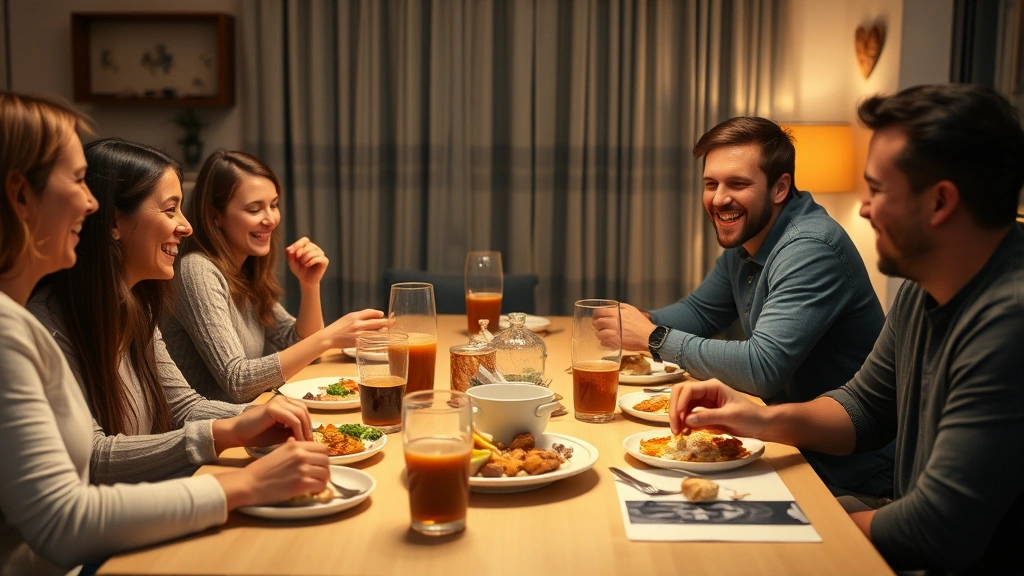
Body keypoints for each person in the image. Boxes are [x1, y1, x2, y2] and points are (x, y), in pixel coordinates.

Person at [668, 84, 1024, 574]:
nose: (863, 207)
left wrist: (793, 526)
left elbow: (936, 530)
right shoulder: (923, 290)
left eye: (877, 190)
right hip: (902, 522)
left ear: (940, 202)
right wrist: (757, 420)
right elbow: (863, 409)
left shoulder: (1008, 321)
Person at [0, 94, 328, 576]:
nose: (88, 201)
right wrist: (240, 481)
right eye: (76, 181)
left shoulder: (131, 305)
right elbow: (75, 496)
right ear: (22, 197)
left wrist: (244, 422)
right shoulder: (30, 327)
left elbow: (184, 406)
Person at [597, 116, 892, 497]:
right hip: (787, 446)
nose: (719, 198)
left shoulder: (810, 249)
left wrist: (654, 337)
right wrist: (639, 321)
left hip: (845, 474)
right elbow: (702, 313)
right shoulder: (753, 236)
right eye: (711, 184)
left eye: (737, 184)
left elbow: (761, 368)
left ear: (779, 187)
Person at [28, 137, 327, 486]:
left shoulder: (137, 305)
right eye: (170, 210)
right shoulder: (47, 325)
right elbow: (94, 458)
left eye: (274, 205)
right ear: (113, 222)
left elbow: (183, 406)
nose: (185, 226)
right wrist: (225, 432)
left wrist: (261, 417)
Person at [161, 150, 387, 403]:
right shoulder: (197, 270)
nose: (270, 220)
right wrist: (328, 338)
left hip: (249, 418)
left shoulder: (245, 269)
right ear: (217, 216)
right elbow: (238, 382)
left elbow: (300, 345)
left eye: (274, 205)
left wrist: (309, 284)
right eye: (255, 209)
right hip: (213, 431)